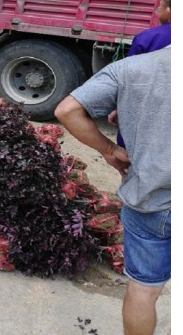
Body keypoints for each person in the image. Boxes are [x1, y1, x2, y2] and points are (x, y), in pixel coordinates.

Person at [54, 45, 170, 335]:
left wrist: (108, 149)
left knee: (144, 289)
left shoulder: (130, 69)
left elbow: (67, 110)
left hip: (151, 200)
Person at [108, 0, 171, 147]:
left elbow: (131, 78)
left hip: (147, 111)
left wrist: (119, 107)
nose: (158, 9)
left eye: (160, 6)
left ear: (169, 10)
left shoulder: (148, 37)